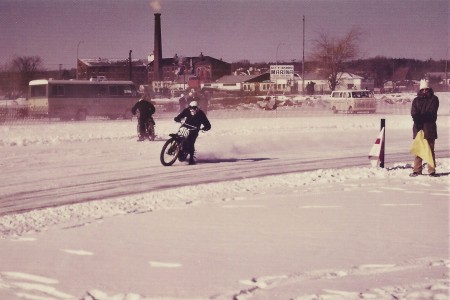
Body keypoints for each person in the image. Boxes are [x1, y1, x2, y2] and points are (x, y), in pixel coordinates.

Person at [410, 79, 439, 177]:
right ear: (420, 90)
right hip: (418, 129)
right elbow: (413, 112)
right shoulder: (416, 100)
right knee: (419, 150)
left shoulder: (434, 99)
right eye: (423, 90)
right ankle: (417, 170)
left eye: (426, 89)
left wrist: (420, 118)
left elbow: (432, 114)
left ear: (429, 89)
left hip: (429, 129)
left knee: (430, 150)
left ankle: (431, 170)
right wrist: (417, 120)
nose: (424, 91)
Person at [174, 100, 211, 165]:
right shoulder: (187, 110)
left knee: (190, 143)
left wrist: (206, 127)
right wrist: (177, 118)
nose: (191, 109)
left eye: (193, 108)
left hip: (194, 130)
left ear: (197, 108)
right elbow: (181, 115)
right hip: (185, 126)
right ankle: (175, 147)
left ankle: (191, 159)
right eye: (190, 107)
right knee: (178, 135)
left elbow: (207, 124)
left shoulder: (201, 114)